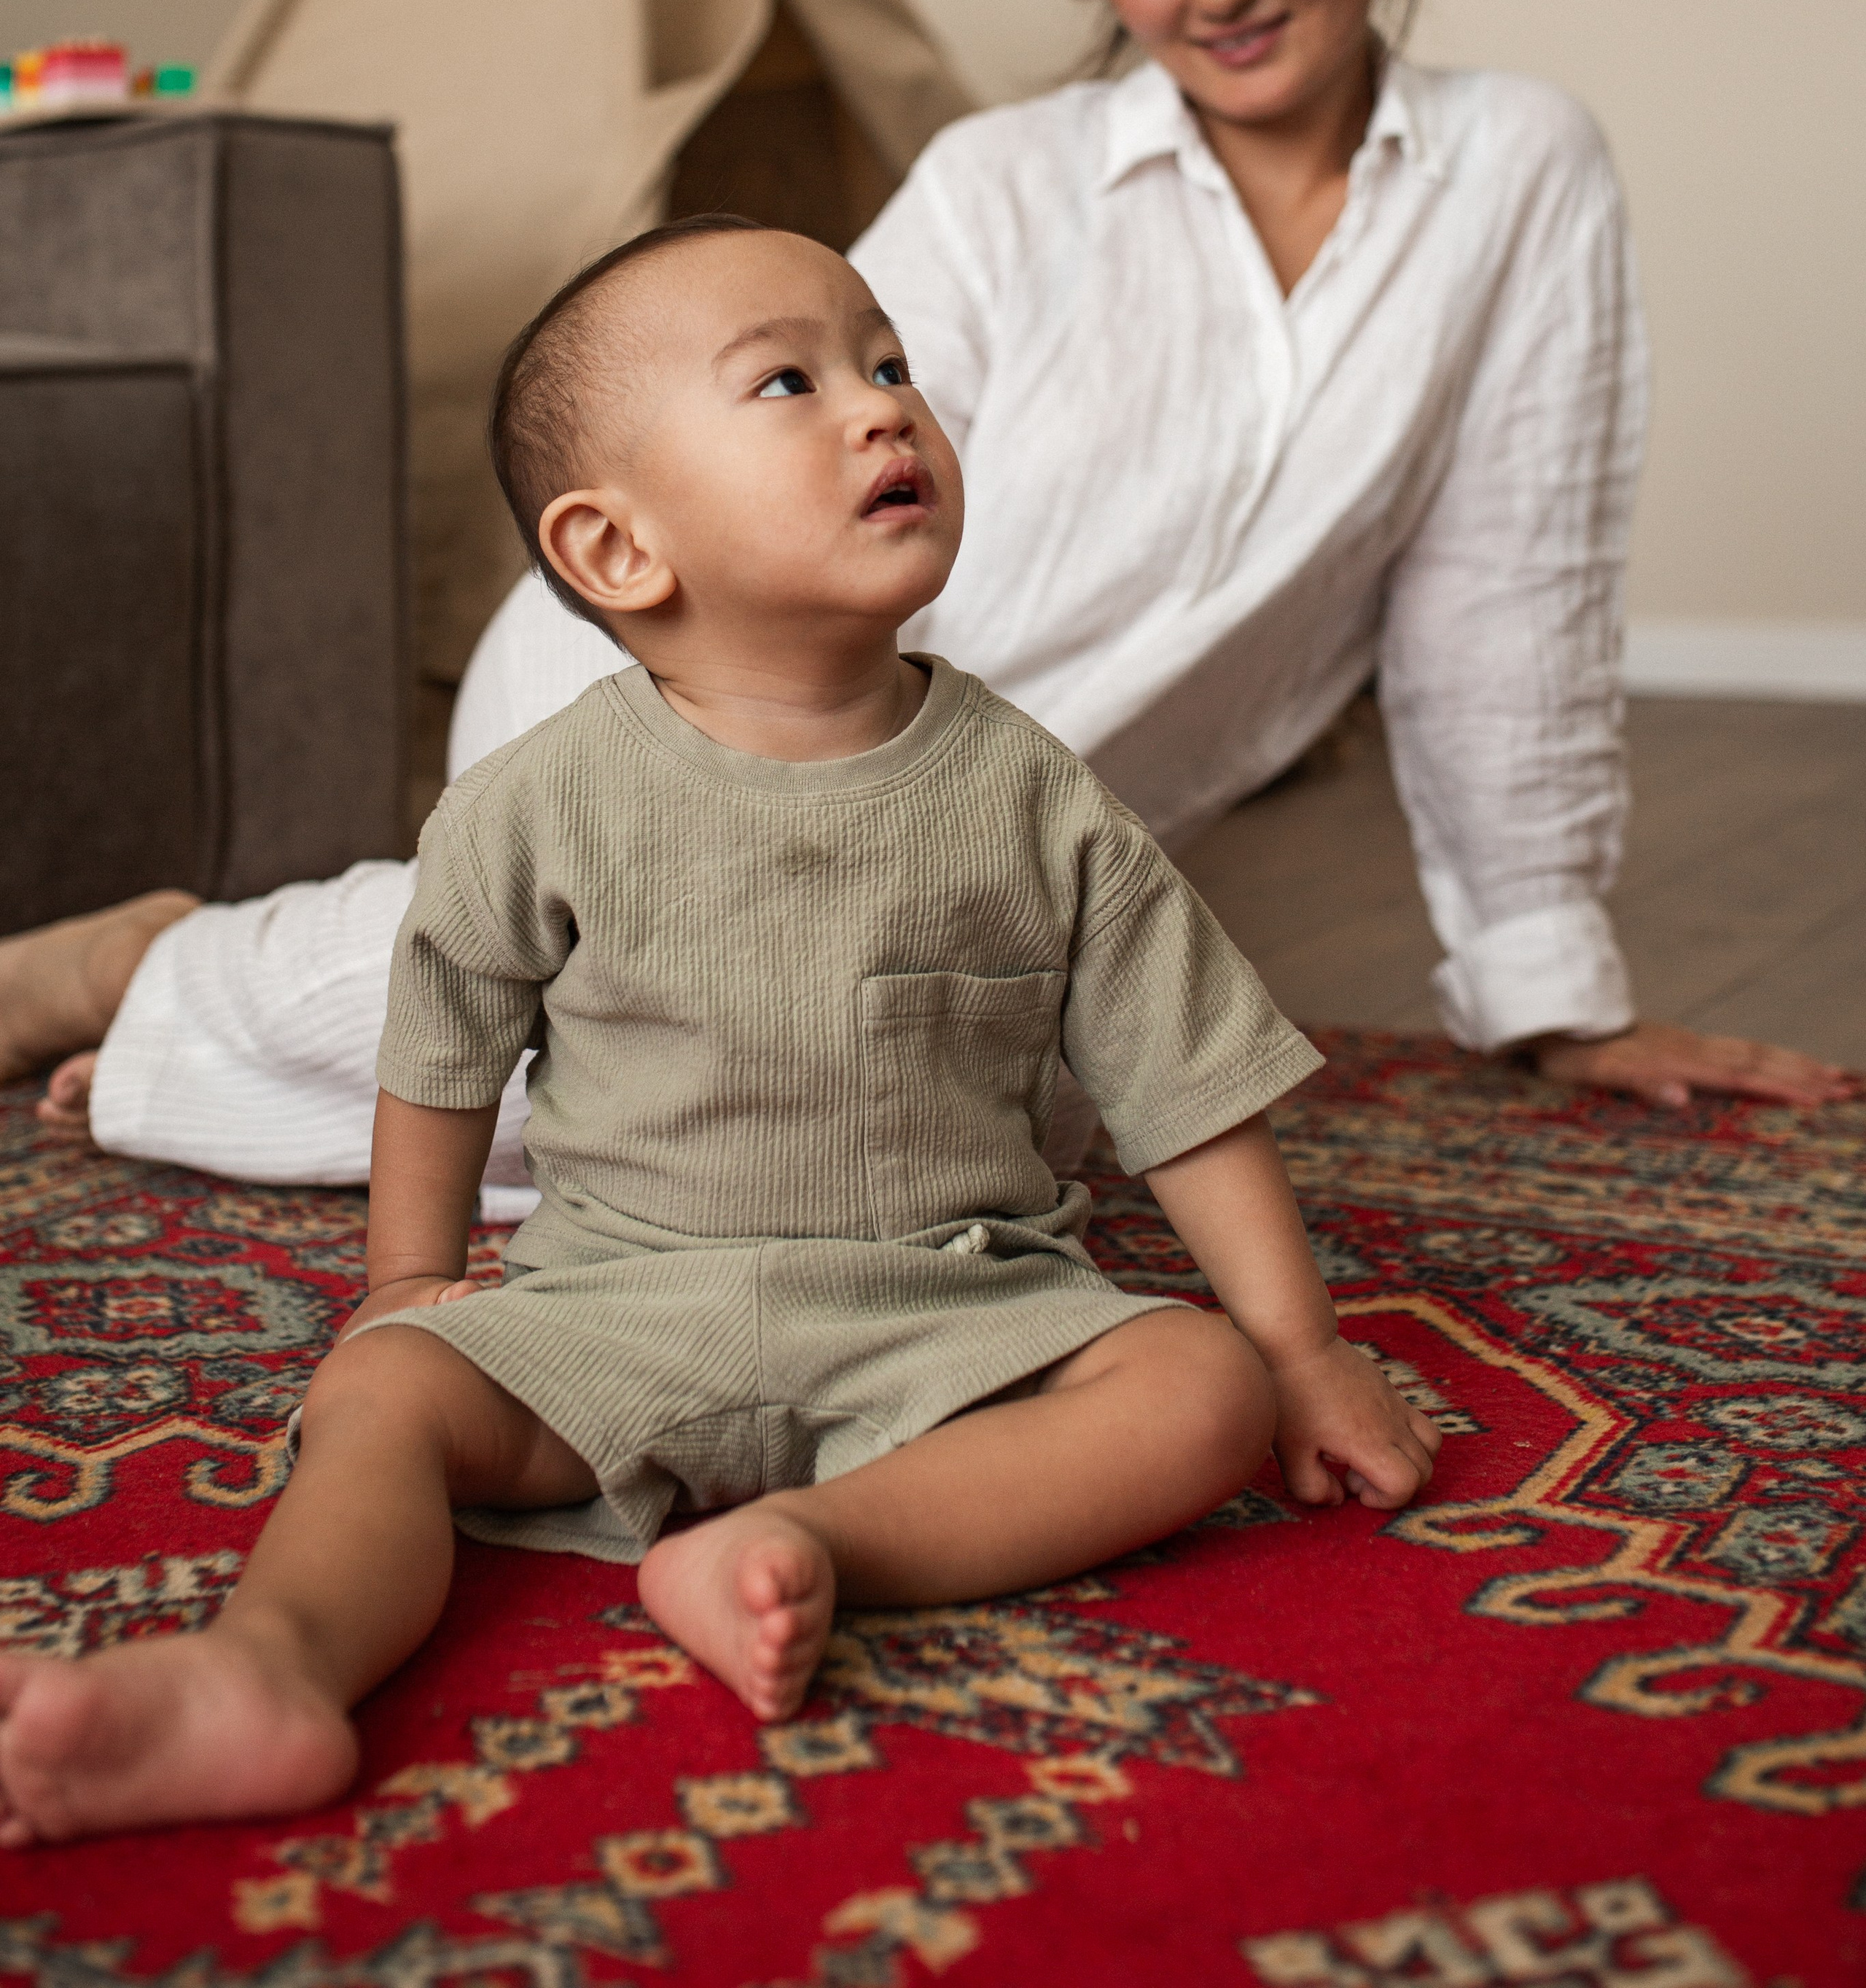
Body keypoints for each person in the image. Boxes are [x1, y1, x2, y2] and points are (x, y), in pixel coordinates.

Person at [1, 0, 1849, 1172]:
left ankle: (212, 991)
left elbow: (1502, 588)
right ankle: (153, 971)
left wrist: (1552, 985)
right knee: (564, 1090)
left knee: (787, 1146)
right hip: (675, 698)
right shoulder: (1005, 178)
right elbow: (748, 455)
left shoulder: (1521, 170)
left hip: (976, 871)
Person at [0, 222, 1438, 1844]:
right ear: (618, 550)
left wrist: (1300, 1350)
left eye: (888, 365)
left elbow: (1184, 1084)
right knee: (383, 1399)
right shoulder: (537, 802)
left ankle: (819, 1545)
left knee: (1194, 1386)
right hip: (612, 1304)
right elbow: (442, 1044)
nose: (882, 410)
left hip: (949, 1311)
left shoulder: (1034, 795)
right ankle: (260, 1671)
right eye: (789, 380)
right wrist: (405, 1283)